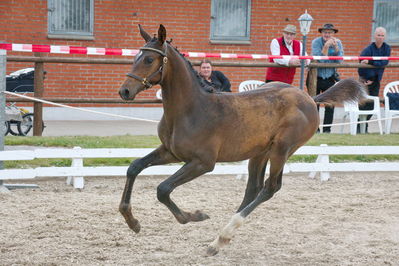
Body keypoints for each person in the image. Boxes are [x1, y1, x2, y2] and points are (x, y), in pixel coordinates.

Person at [311, 23, 344, 133]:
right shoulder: (316, 42)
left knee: (330, 105)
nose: (327, 34)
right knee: (315, 105)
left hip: (330, 77)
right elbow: (320, 61)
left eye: (330, 32)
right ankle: (315, 129)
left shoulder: (338, 42)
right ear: (321, 33)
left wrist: (335, 49)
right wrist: (325, 47)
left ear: (333, 34)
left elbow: (339, 61)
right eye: (325, 32)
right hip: (316, 77)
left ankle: (327, 130)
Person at [358, 27, 391, 133]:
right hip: (365, 79)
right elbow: (361, 62)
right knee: (363, 104)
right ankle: (360, 128)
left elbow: (384, 63)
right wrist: (366, 78)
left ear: (385, 37)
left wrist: (371, 62)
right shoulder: (369, 49)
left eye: (382, 35)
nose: (380, 37)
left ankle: (364, 125)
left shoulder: (387, 48)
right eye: (378, 35)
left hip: (376, 80)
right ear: (374, 36)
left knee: (372, 105)